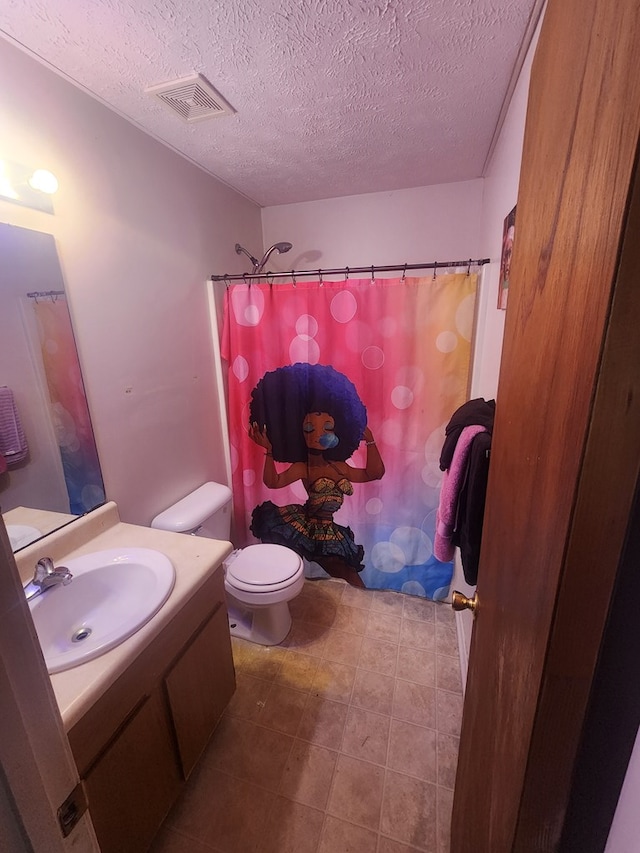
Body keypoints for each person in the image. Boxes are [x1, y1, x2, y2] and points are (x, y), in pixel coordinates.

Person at [248, 363, 384, 588]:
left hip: (329, 533)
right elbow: (273, 482)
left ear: (339, 429)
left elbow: (374, 473)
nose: (319, 434)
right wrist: (270, 450)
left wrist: (370, 440)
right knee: (283, 568)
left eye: (327, 427)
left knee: (351, 578)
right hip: (303, 526)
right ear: (296, 433)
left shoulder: (340, 467)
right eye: (309, 429)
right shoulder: (304, 467)